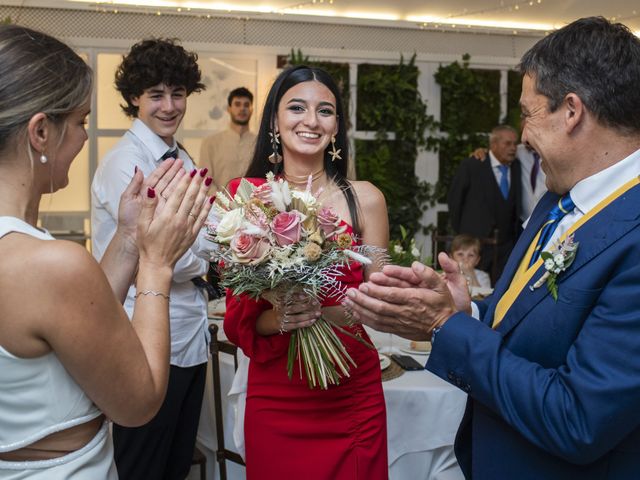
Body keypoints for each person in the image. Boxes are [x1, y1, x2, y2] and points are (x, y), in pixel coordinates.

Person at [344, 16, 640, 479]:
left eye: (528, 112)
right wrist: (469, 312)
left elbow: (577, 418)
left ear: (571, 110)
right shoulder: (557, 198)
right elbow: (532, 321)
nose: (522, 136)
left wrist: (444, 327)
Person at [0, 25, 213, 479]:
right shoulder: (51, 263)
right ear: (41, 132)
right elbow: (139, 403)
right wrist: (155, 265)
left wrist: (130, 238)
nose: (83, 139)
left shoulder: (33, 258)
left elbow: (73, 316)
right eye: (80, 122)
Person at [223, 65, 389, 479]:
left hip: (350, 389)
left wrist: (336, 310)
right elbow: (238, 320)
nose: (311, 120)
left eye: (325, 111)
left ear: (336, 126)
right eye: (297, 107)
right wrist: (280, 318)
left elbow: (379, 297)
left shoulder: (365, 199)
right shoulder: (243, 198)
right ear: (276, 122)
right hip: (277, 394)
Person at [91, 38, 212, 480]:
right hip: (141, 337)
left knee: (175, 465)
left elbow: (206, 235)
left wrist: (202, 244)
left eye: (178, 93)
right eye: (156, 94)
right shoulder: (127, 163)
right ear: (134, 98)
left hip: (189, 334)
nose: (169, 106)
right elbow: (167, 255)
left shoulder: (180, 157)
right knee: (141, 465)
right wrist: (205, 256)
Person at [448, 125, 522, 284]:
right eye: (507, 143)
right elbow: (455, 202)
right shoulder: (472, 165)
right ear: (493, 144)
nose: (513, 148)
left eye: (515, 144)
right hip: (474, 246)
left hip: (506, 246)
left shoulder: (517, 166)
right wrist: (464, 234)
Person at [471, 142, 547, 222]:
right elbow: (496, 154)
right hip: (523, 221)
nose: (524, 138)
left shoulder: (555, 152)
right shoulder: (518, 151)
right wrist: (482, 151)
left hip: (548, 220)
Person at [199, 86, 256, 190]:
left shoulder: (260, 143)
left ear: (251, 110)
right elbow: (205, 180)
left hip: (254, 204)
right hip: (218, 204)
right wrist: (223, 204)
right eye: (237, 104)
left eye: (246, 105)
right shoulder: (210, 143)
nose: (242, 108)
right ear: (229, 109)